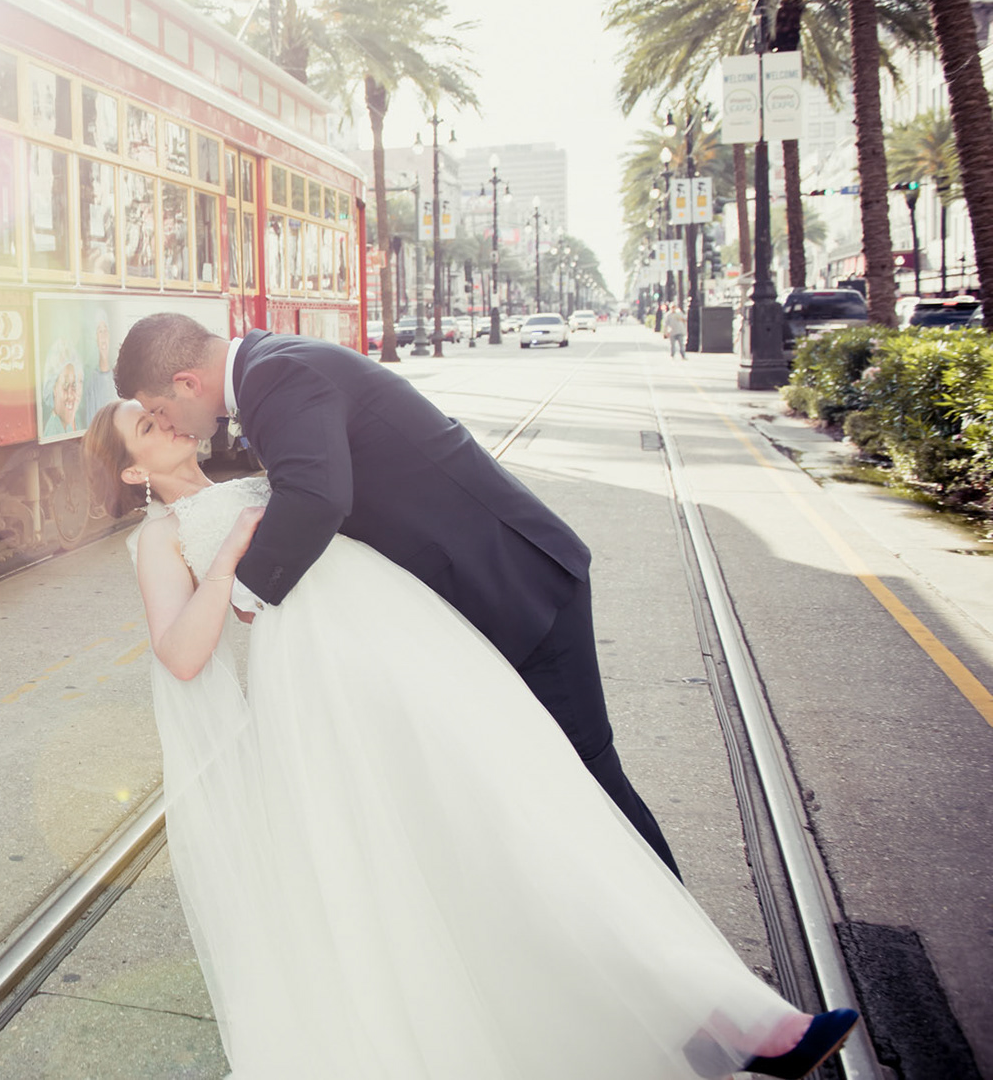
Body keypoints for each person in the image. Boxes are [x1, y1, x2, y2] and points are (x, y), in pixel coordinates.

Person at [84, 397, 860, 1078]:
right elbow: (181, 655)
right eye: (143, 428)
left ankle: (721, 1018)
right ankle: (718, 1025)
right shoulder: (163, 537)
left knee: (534, 816)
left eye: (157, 412)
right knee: (481, 842)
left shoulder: (256, 476)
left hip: (414, 652)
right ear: (129, 473)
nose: (163, 423)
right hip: (340, 694)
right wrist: (227, 563)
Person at [115, 313, 677, 871]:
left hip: (515, 588)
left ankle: (675, 939)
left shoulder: (274, 377)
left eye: (161, 410)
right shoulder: (274, 365)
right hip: (470, 600)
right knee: (526, 783)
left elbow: (316, 496)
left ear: (187, 383)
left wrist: (243, 590)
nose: (170, 423)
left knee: (589, 780)